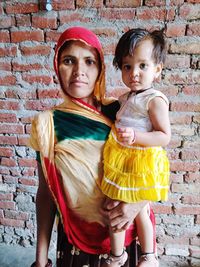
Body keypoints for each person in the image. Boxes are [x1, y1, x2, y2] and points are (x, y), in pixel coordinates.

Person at [29, 26, 157, 267]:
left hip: (125, 233)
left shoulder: (119, 112)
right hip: (76, 240)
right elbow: (45, 194)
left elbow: (152, 162)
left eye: (89, 61)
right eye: (69, 61)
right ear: (57, 66)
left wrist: (136, 204)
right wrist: (40, 260)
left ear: (100, 69)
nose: (79, 71)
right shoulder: (47, 123)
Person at [101, 28, 171, 267]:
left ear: (157, 69)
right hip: (122, 160)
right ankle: (118, 254)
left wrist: (137, 136)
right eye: (127, 66)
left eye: (143, 66)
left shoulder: (154, 99)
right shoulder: (126, 98)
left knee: (138, 209)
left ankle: (149, 255)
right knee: (115, 206)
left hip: (142, 161)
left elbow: (164, 136)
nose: (134, 74)